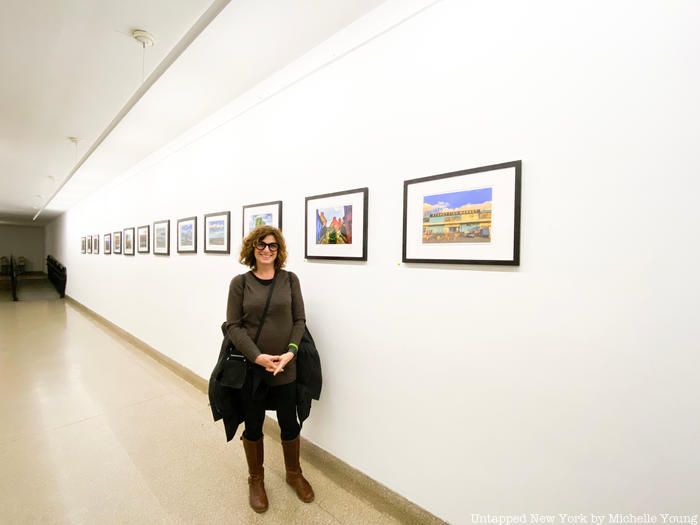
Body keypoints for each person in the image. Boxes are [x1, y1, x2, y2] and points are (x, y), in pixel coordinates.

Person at [225, 225, 314, 513]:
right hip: (253, 369)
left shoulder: (290, 280)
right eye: (261, 245)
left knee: (290, 423)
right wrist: (257, 356)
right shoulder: (240, 283)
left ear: (279, 251)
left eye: (272, 246)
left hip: (286, 368)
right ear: (252, 248)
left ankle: (293, 474)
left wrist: (290, 354)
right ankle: (256, 479)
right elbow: (233, 327)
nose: (266, 250)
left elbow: (300, 321)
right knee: (253, 425)